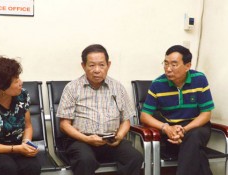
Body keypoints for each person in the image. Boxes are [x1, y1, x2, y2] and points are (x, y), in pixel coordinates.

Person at [56, 44, 143, 175]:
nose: (97, 70)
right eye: (91, 65)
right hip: (81, 140)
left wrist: (119, 137)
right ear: (83, 66)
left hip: (110, 140)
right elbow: (64, 124)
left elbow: (126, 120)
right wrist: (86, 139)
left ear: (108, 65)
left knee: (135, 157)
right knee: (85, 160)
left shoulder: (118, 88)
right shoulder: (72, 88)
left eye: (102, 65)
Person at [140, 45, 215, 175]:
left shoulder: (199, 79)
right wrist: (166, 128)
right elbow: (145, 116)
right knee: (197, 152)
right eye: (166, 63)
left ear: (187, 66)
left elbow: (206, 114)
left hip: (196, 127)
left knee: (193, 138)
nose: (168, 69)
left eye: (174, 65)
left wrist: (184, 130)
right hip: (170, 131)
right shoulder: (158, 84)